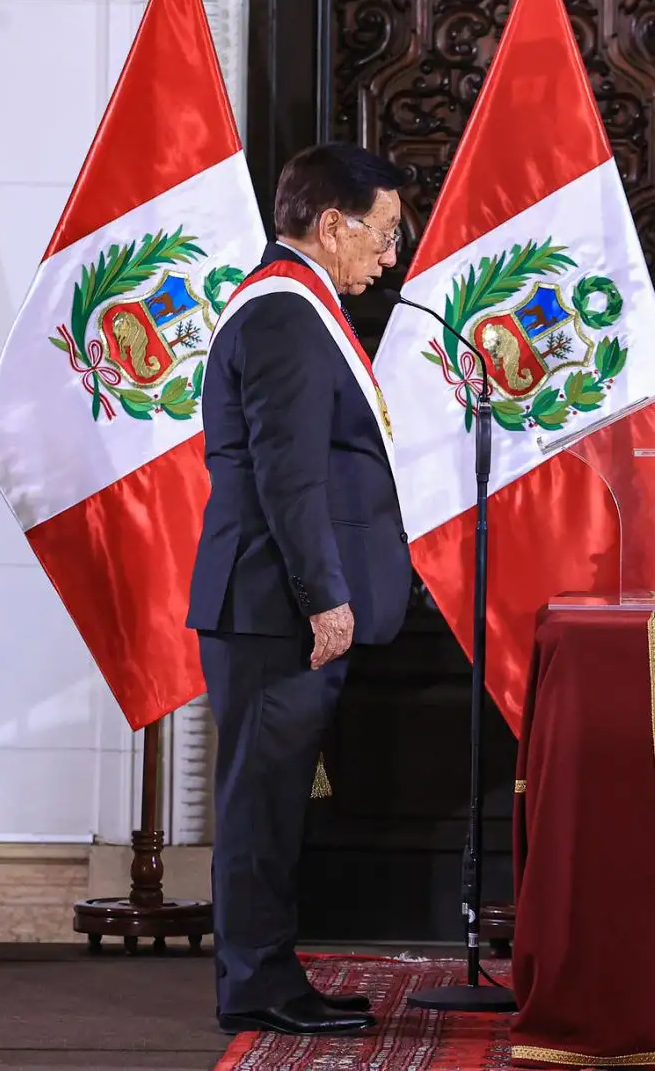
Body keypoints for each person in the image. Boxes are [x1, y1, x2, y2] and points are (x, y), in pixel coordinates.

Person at [187, 142, 413, 1037]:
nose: (390, 256)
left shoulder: (303, 305)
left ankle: (272, 974)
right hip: (276, 606)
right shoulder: (285, 315)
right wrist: (325, 594)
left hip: (281, 603)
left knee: (276, 799)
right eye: (383, 234)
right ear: (333, 224)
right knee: (262, 803)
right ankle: (255, 985)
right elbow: (287, 474)